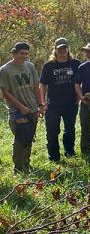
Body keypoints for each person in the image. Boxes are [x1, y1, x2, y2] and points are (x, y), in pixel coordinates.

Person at [0, 42, 45, 173]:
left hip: (32, 109)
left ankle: (26, 164)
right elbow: (5, 92)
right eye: (21, 53)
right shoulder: (5, 70)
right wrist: (20, 107)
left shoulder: (30, 66)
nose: (24, 56)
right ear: (14, 53)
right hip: (16, 112)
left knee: (29, 137)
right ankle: (17, 168)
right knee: (20, 139)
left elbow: (36, 87)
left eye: (26, 53)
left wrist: (40, 105)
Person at [39, 38, 81, 162]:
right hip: (53, 105)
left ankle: (69, 152)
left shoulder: (76, 63)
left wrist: (78, 97)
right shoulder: (49, 65)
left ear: (68, 49)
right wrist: (42, 101)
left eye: (64, 48)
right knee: (52, 131)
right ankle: (53, 156)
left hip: (71, 103)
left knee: (70, 129)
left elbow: (80, 82)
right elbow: (42, 84)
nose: (62, 51)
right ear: (55, 50)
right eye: (59, 49)